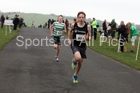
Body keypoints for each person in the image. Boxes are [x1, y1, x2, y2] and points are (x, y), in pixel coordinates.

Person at [68, 11, 91, 84]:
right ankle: (74, 61)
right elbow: (69, 31)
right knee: (78, 58)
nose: (81, 19)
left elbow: (90, 36)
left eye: (82, 17)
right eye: (80, 17)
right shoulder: (73, 25)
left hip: (83, 46)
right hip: (75, 44)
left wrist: (88, 38)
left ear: (85, 18)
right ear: (77, 18)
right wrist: (69, 39)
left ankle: (75, 75)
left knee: (80, 63)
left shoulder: (87, 26)